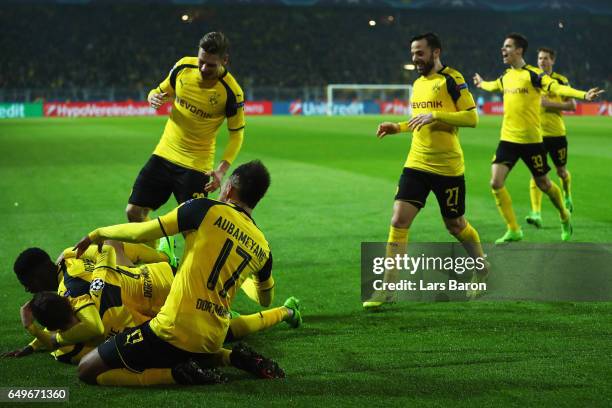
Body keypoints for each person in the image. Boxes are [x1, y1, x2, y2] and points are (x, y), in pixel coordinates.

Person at [73, 160, 286, 386]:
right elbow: (265, 299)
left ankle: (177, 375)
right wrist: (243, 278)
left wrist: (98, 233)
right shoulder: (263, 248)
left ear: (229, 189)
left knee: (87, 369)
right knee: (193, 350)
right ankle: (231, 356)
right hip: (214, 339)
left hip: (172, 331)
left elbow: (142, 232)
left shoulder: (204, 208)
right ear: (257, 199)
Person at [364, 32, 487, 309]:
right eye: (412, 53)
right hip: (417, 162)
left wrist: (437, 114)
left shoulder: (452, 79)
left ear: (435, 52)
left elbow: (472, 117)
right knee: (398, 220)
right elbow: (418, 120)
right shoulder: (418, 83)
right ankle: (388, 288)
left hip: (448, 167)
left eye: (420, 53)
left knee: (455, 225)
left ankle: (481, 268)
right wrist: (398, 126)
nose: (415, 58)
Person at [473, 33, 604, 243]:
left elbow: (557, 87)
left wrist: (583, 95)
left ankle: (563, 214)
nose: (503, 50)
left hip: (532, 141)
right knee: (496, 182)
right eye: (503, 46)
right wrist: (480, 83)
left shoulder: (534, 75)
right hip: (508, 139)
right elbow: (492, 85)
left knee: (544, 184)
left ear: (519, 50)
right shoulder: (506, 76)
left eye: (507, 47)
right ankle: (514, 229)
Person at [127, 31, 245, 225]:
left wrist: (221, 170)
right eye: (201, 61)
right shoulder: (183, 67)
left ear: (225, 60)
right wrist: (152, 96)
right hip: (165, 153)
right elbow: (159, 91)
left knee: (193, 227)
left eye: (211, 65)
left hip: (197, 165)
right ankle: (158, 250)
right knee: (133, 211)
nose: (203, 68)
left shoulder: (232, 92)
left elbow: (237, 135)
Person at [525, 47, 576, 228]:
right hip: (537, 136)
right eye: (540, 58)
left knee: (561, 171)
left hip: (556, 134)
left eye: (546, 58)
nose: (542, 61)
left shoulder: (561, 81)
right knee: (536, 174)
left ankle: (567, 194)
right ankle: (536, 212)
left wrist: (550, 104)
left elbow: (572, 105)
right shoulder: (532, 80)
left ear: (552, 61)